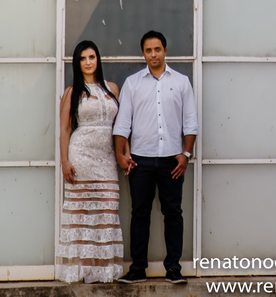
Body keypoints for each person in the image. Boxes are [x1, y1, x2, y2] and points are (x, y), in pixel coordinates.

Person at [113, 30, 198, 285]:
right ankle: (138, 268)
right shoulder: (133, 83)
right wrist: (120, 155)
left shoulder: (181, 82)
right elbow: (122, 123)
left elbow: (190, 122)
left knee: (173, 212)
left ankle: (173, 268)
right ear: (143, 53)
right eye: (148, 50)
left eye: (157, 49)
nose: (153, 54)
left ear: (165, 51)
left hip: (173, 160)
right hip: (140, 160)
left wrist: (186, 154)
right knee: (140, 213)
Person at [56, 40, 125, 283]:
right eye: (83, 58)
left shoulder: (112, 89)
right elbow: (65, 129)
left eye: (92, 57)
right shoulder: (71, 91)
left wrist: (124, 153)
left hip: (107, 158)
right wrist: (64, 161)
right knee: (81, 212)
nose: (88, 62)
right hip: (81, 155)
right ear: (78, 63)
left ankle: (104, 270)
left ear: (98, 59)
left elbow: (122, 126)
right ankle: (80, 270)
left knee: (108, 208)